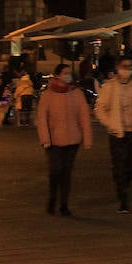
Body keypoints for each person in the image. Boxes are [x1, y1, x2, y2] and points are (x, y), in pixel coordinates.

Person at [36, 63, 94, 216]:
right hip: (53, 141)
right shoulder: (48, 95)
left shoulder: (76, 93)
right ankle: (52, 198)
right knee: (55, 170)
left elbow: (84, 117)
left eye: (69, 73)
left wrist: (87, 138)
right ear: (57, 75)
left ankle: (64, 203)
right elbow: (42, 118)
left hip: (73, 139)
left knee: (67, 172)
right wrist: (45, 138)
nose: (68, 75)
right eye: (65, 73)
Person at [95, 55, 132, 213]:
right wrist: (110, 124)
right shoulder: (109, 86)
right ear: (118, 68)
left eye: (130, 66)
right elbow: (99, 109)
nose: (128, 70)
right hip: (117, 132)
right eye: (125, 66)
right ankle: (123, 198)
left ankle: (123, 181)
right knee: (119, 163)